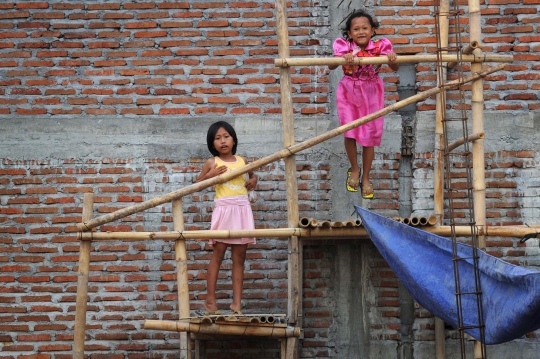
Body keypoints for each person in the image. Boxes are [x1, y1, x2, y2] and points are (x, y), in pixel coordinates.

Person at [328, 10, 399, 198]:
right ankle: (355, 168)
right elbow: (331, 65)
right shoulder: (344, 46)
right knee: (349, 130)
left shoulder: (381, 46)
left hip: (372, 90)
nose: (361, 32)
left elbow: (395, 67)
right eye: (356, 29)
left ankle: (366, 177)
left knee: (370, 135)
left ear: (373, 31)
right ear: (350, 33)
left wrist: (392, 59)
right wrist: (341, 58)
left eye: (365, 28)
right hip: (349, 90)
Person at [195, 121, 257, 316]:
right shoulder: (212, 163)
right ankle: (210, 303)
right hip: (224, 210)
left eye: (226, 137)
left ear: (233, 139)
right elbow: (197, 185)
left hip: (242, 210)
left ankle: (236, 305)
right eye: (217, 138)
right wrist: (211, 175)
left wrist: (254, 181)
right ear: (212, 143)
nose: (222, 141)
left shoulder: (243, 161)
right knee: (218, 255)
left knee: (239, 258)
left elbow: (253, 176)